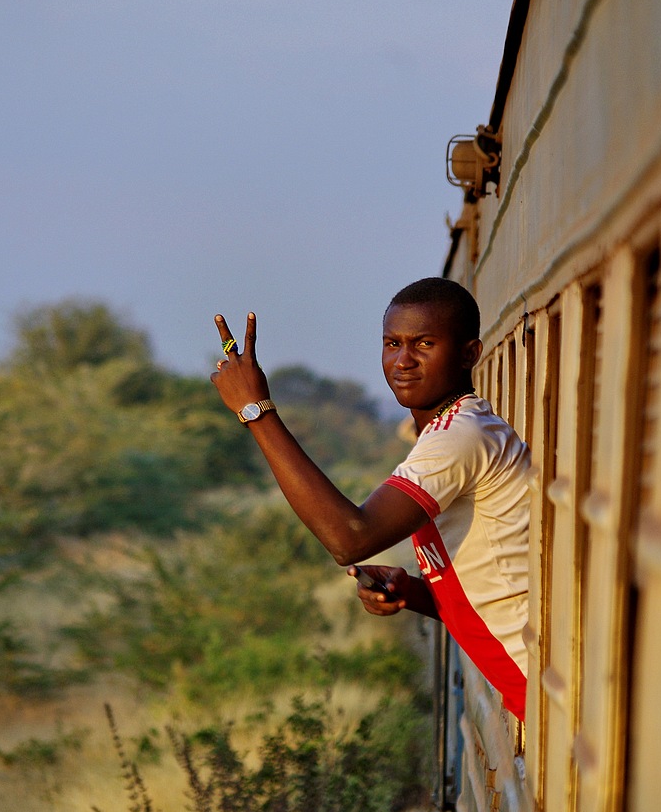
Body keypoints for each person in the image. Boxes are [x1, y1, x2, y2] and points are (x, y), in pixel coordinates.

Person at [210, 277, 532, 720]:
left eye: (424, 343)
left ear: (468, 354)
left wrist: (257, 412)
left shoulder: (459, 436)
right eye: (391, 343)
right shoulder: (452, 429)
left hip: (540, 689)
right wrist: (413, 593)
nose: (403, 360)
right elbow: (495, 583)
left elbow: (350, 539)